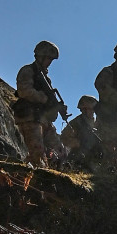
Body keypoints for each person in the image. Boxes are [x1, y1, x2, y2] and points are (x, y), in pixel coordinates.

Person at [12, 39, 68, 167]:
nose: (49, 62)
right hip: (30, 117)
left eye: (51, 60)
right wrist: (44, 98)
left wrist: (56, 107)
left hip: (42, 118)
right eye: (48, 58)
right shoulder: (28, 70)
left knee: (60, 152)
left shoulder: (45, 78)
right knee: (38, 156)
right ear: (40, 56)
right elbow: (24, 91)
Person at [60, 94, 105, 171]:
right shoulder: (77, 122)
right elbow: (63, 137)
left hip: (95, 158)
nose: (92, 112)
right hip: (79, 159)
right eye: (89, 109)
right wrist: (76, 143)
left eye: (93, 109)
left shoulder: (98, 122)